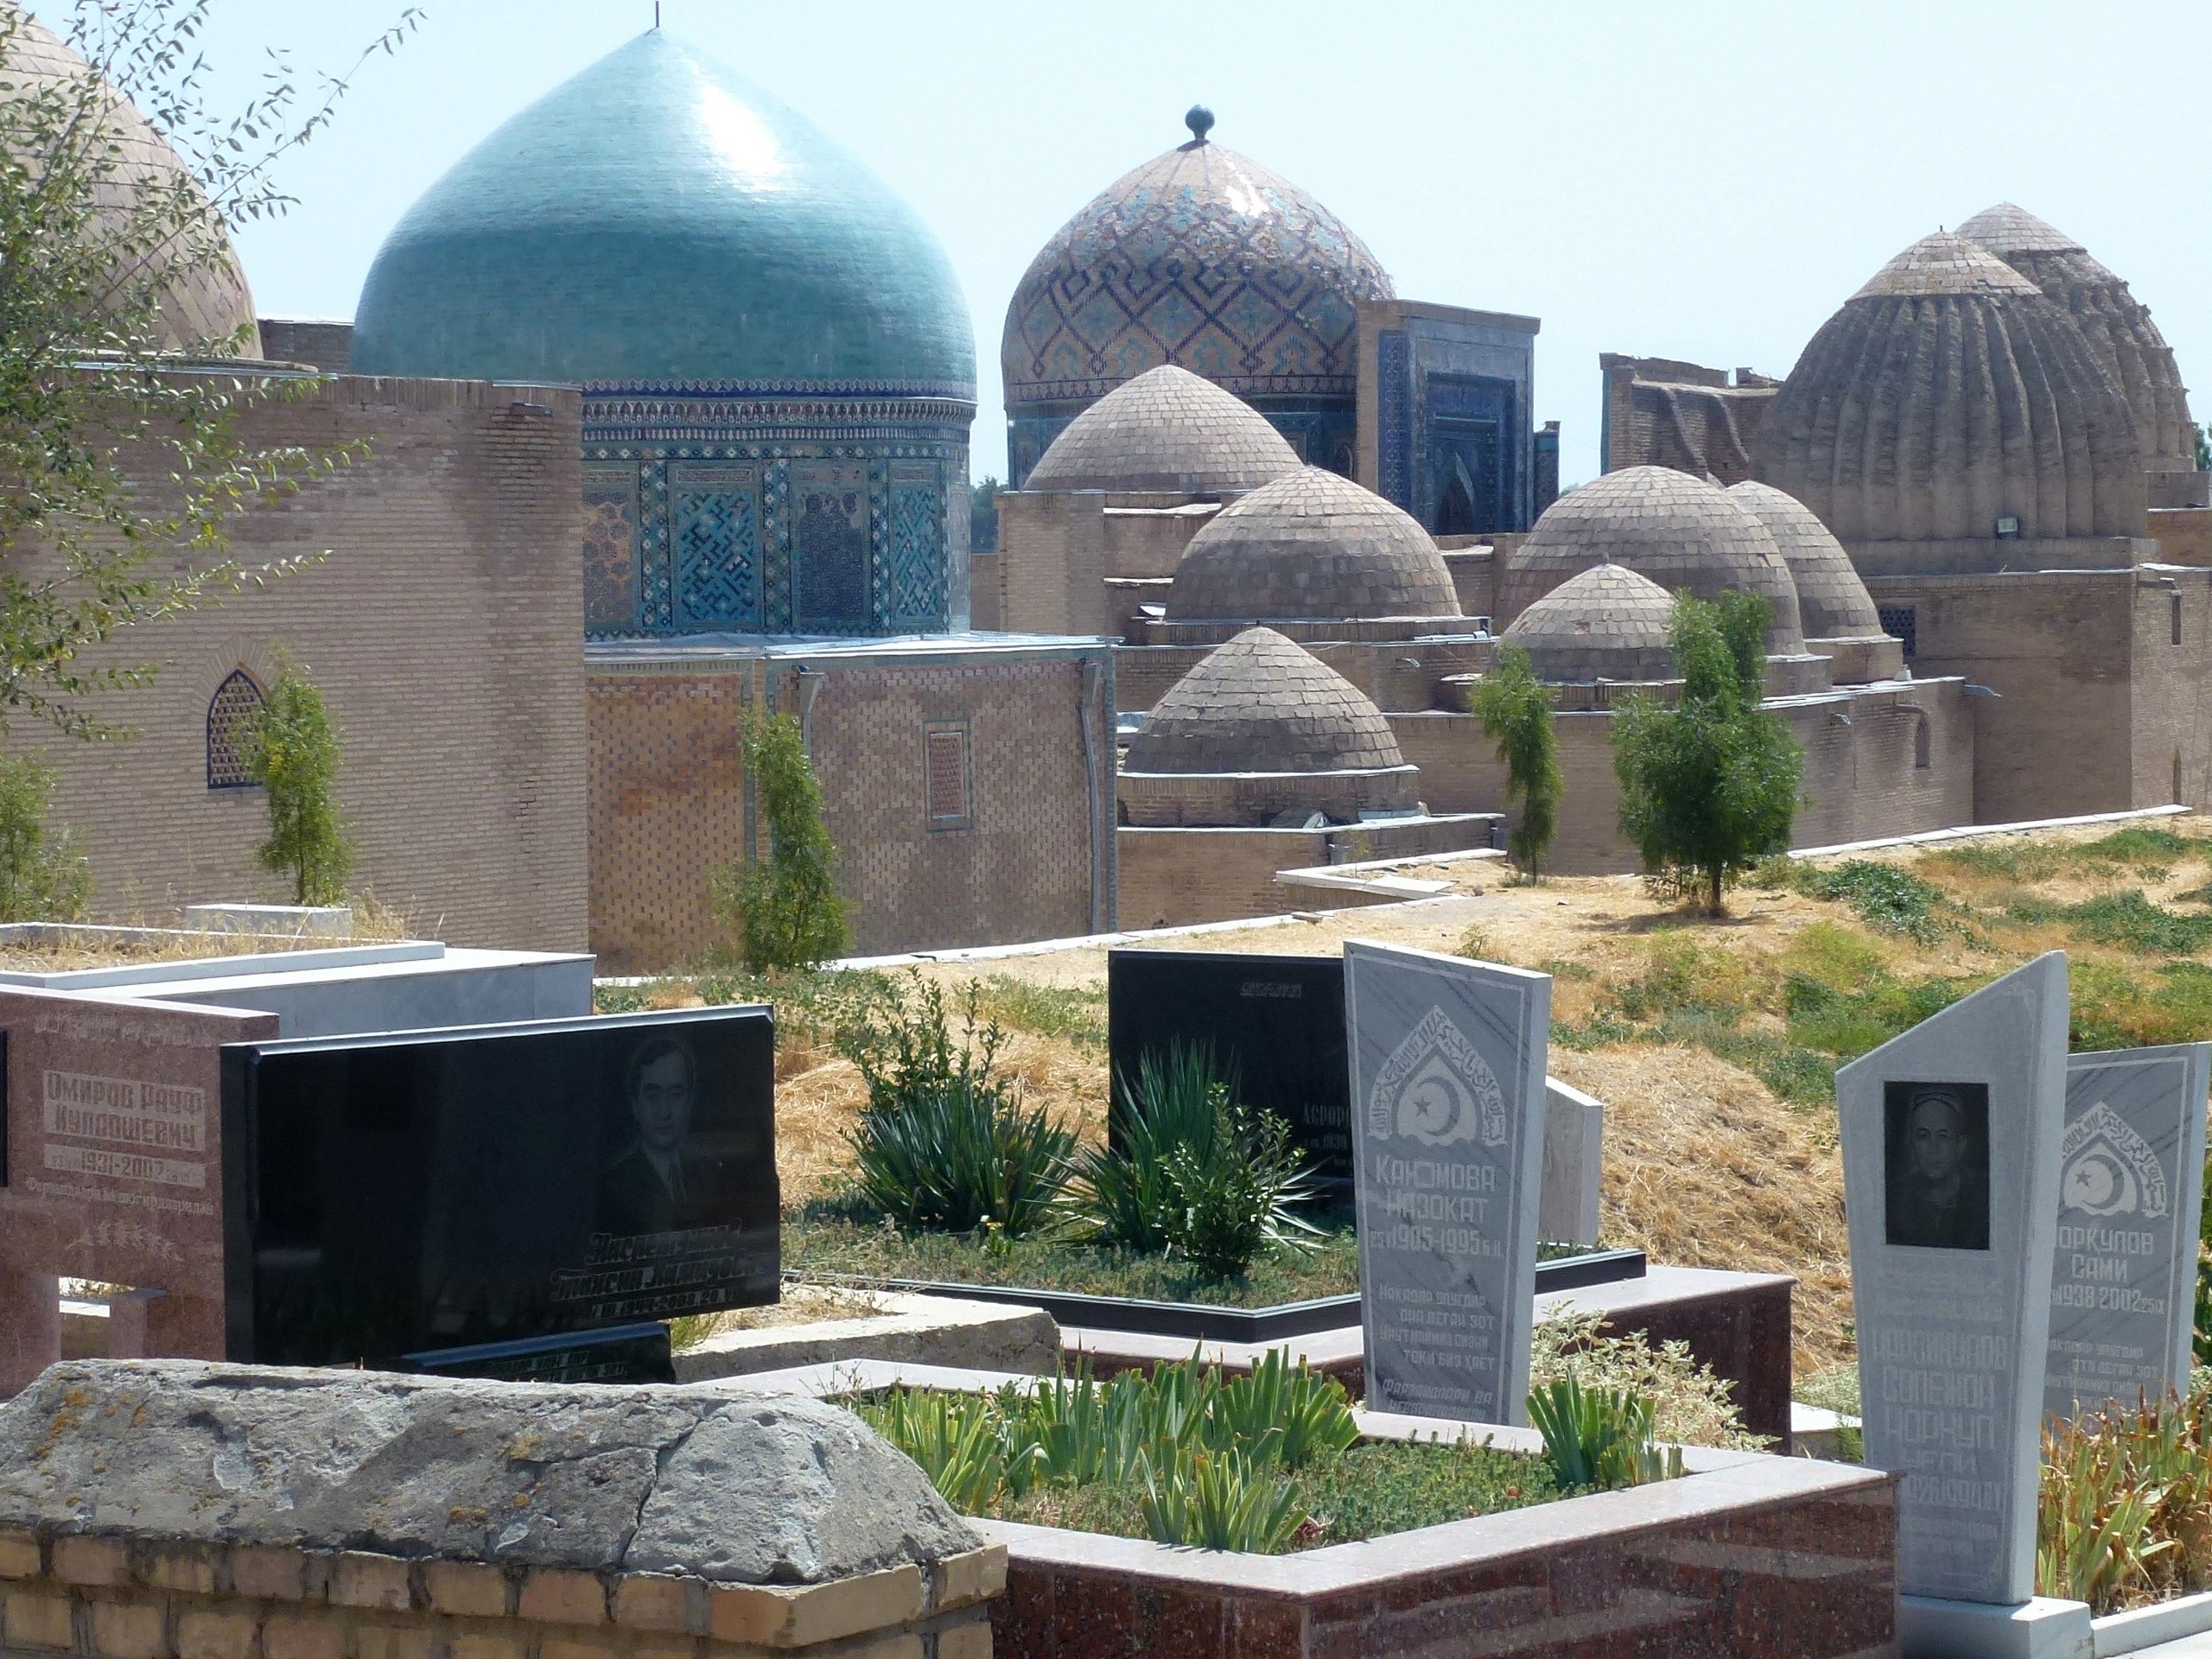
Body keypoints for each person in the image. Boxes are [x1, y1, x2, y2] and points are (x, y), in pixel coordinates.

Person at [600, 1036, 708, 1237]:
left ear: (689, 1101)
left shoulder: (710, 1173)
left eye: (675, 1094)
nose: (664, 1112)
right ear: (635, 1106)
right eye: (652, 1096)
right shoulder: (614, 1188)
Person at [1886, 1084, 1989, 1249]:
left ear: (1960, 1145)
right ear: (1912, 1144)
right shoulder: (1893, 1198)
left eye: (1943, 1136)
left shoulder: (1986, 1197)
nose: (1933, 1149)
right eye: (1923, 1136)